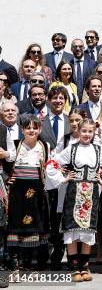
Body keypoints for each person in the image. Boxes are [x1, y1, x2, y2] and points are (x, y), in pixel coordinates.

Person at [45, 118, 102, 282]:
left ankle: (84, 266)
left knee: (87, 230)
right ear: (78, 131)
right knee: (71, 230)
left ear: (94, 133)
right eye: (84, 131)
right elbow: (52, 163)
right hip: (73, 194)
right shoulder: (71, 149)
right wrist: (62, 178)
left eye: (90, 131)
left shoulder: (99, 150)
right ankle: (73, 267)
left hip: (91, 194)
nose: (87, 134)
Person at [6, 114, 50, 270]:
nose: (31, 130)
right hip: (17, 193)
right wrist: (6, 178)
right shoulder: (16, 145)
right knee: (16, 225)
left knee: (34, 225)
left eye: (35, 127)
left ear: (40, 129)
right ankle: (15, 262)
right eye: (28, 127)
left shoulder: (44, 146)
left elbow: (50, 168)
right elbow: (5, 165)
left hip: (36, 194)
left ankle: (29, 262)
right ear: (22, 129)